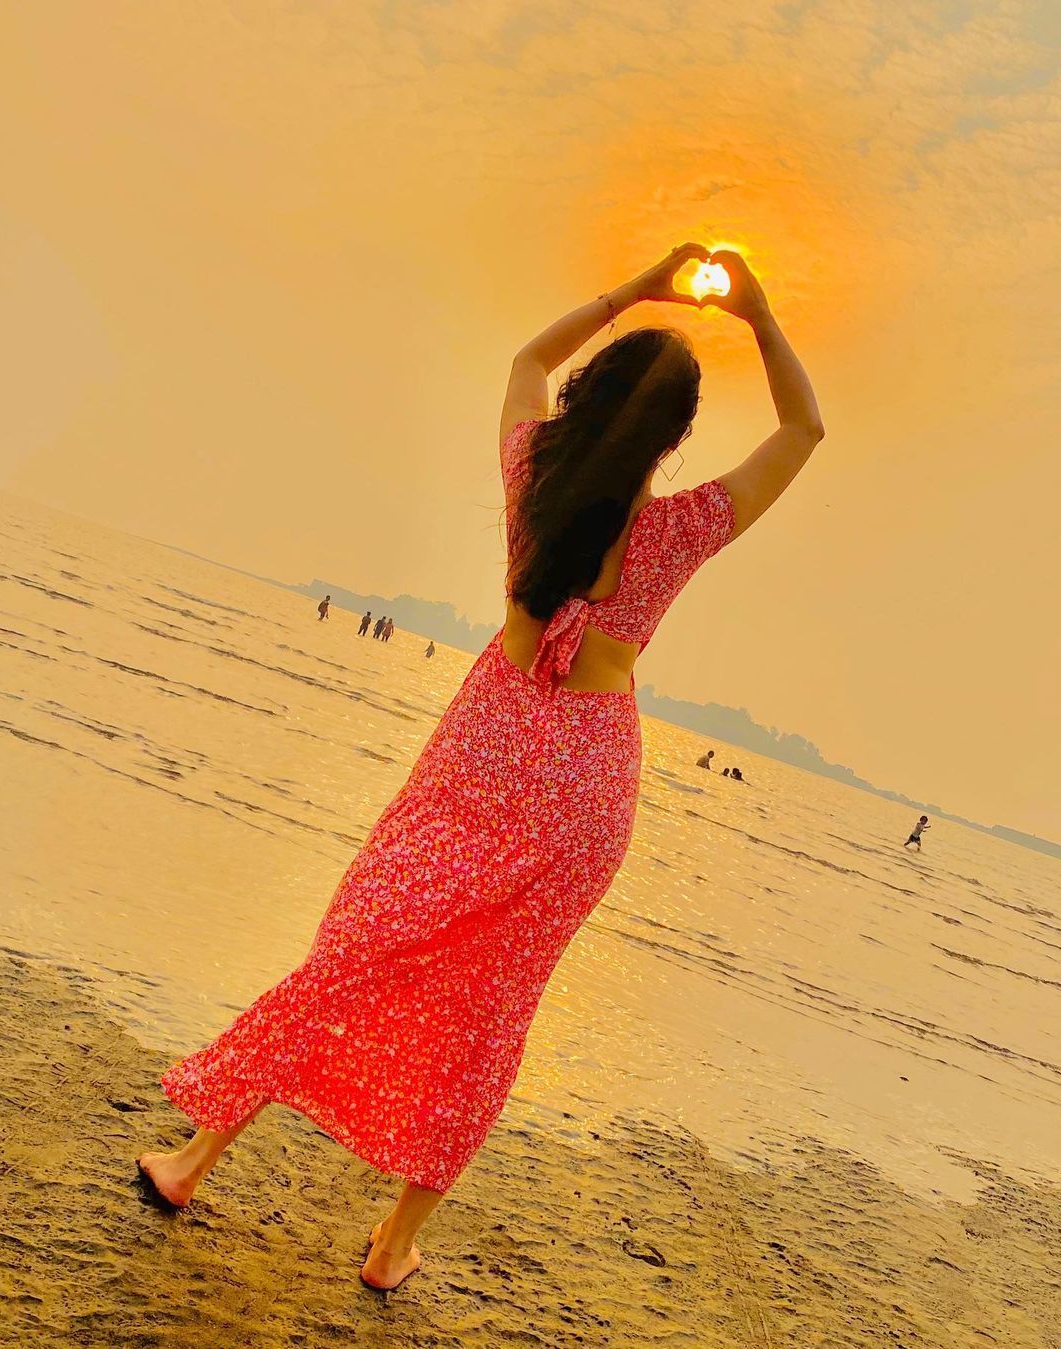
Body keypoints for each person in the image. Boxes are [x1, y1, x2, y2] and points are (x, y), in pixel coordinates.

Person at [138, 242, 823, 1291]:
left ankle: (194, 1159)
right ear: (675, 436)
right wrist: (761, 316)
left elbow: (525, 361)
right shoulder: (681, 531)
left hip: (484, 747)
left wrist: (636, 290)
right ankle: (392, 1244)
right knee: (492, 1011)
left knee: (357, 946)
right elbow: (803, 429)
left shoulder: (531, 477)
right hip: (585, 786)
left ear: (591, 399)